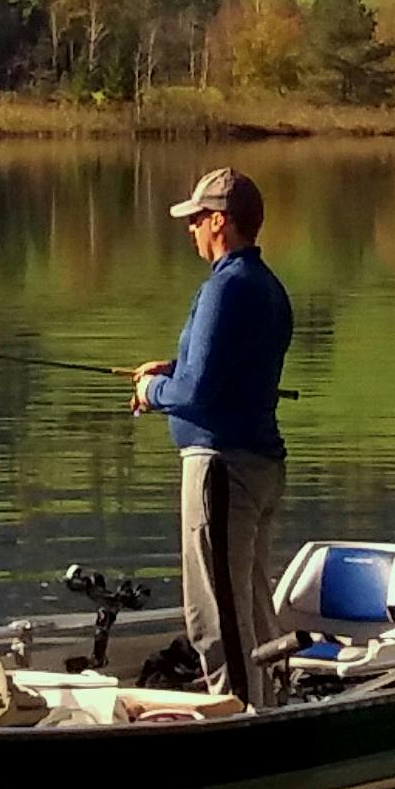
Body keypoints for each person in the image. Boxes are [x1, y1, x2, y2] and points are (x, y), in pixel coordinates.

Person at [131, 166, 293, 707]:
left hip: (221, 467)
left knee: (215, 614)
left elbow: (197, 392)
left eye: (198, 218)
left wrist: (154, 390)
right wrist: (175, 367)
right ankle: (271, 704)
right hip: (260, 466)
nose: (191, 229)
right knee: (249, 603)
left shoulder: (226, 287)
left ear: (220, 221)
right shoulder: (267, 287)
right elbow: (229, 368)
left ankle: (242, 718)